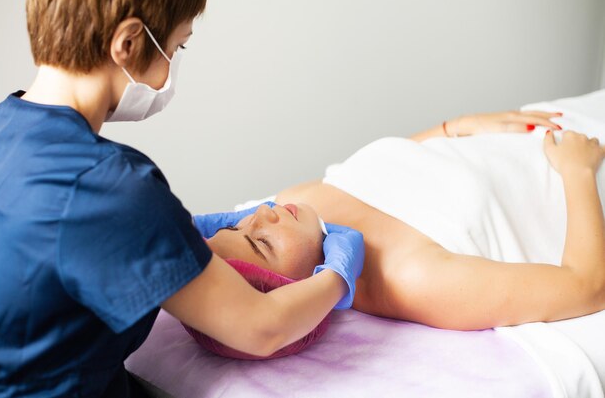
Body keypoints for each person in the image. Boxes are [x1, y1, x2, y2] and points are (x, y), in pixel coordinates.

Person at [0, 0, 364, 397]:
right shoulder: (111, 185)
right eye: (177, 47)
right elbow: (262, 328)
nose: (170, 67)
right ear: (128, 42)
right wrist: (340, 274)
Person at [203, 110, 605, 331]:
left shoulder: (301, 205)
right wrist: (579, 170)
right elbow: (586, 286)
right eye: (261, 243)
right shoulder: (412, 279)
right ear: (294, 294)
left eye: (236, 226)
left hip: (556, 129)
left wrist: (458, 128)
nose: (261, 214)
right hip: (584, 169)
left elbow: (385, 166)